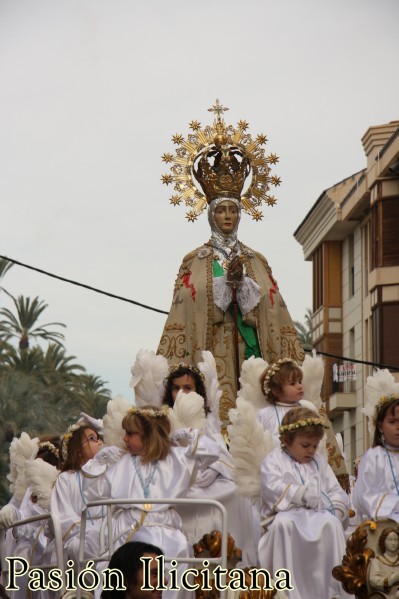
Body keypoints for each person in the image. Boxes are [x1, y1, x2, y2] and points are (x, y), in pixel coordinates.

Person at [157, 101, 304, 423]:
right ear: (210, 214)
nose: (228, 216)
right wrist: (224, 288)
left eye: (233, 210)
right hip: (212, 350)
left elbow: (273, 305)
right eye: (221, 210)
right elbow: (184, 305)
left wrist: (244, 286)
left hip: (253, 351)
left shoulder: (256, 259)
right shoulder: (194, 260)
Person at [86, 403, 220, 599]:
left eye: (131, 433)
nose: (124, 438)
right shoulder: (122, 462)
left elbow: (212, 452)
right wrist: (99, 462)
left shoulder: (176, 458)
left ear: (148, 436)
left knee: (179, 547)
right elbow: (92, 493)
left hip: (164, 527)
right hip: (127, 528)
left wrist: (188, 434)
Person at [161, 360, 260, 566]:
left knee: (235, 492)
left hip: (208, 482)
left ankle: (230, 556)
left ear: (198, 392)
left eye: (187, 388)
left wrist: (216, 468)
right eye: (176, 388)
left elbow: (221, 452)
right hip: (177, 483)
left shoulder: (208, 422)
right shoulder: (164, 420)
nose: (181, 393)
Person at [257, 406, 350, 599]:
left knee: (332, 524)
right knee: (284, 525)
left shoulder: (319, 462)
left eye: (315, 446)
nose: (311, 451)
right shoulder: (274, 460)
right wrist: (300, 494)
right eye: (305, 445)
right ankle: (287, 591)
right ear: (285, 441)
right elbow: (271, 486)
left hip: (318, 514)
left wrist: (335, 508)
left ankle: (332, 591)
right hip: (287, 514)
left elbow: (335, 491)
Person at [368, 527, 399, 598]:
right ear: (383, 541)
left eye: (396, 540)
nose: (393, 543)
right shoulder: (377, 561)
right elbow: (373, 580)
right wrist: (391, 580)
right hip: (387, 595)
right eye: (390, 540)